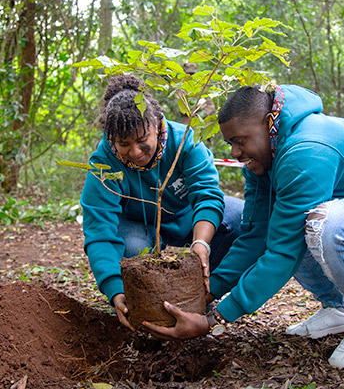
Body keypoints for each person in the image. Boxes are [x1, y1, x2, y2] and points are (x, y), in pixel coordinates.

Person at [143, 84, 344, 369]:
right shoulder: (265, 159)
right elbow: (257, 236)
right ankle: (339, 310)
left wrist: (216, 318)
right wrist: (207, 294)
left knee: (327, 225)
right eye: (230, 144)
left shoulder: (305, 148)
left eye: (240, 141)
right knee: (300, 224)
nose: (235, 153)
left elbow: (283, 252)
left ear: (268, 124)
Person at [81, 74, 244, 330]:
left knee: (240, 218)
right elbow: (99, 232)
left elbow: (207, 195)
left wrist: (201, 242)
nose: (135, 152)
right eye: (124, 144)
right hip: (137, 228)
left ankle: (200, 295)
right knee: (134, 251)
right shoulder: (103, 163)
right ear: (112, 139)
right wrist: (114, 289)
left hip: (188, 219)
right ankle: (150, 308)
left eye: (142, 141)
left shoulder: (186, 142)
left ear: (157, 124)